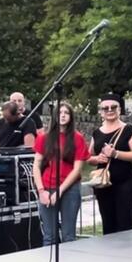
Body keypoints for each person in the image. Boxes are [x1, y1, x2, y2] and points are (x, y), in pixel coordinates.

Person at [33, 102, 90, 246]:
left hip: (69, 188)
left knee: (68, 236)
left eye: (66, 113)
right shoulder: (43, 138)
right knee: (49, 236)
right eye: (60, 112)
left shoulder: (77, 138)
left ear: (71, 117)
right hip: (47, 187)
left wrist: (60, 191)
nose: (63, 115)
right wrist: (41, 191)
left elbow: (77, 169)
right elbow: (36, 165)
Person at [87, 94, 132, 235]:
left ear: (120, 109)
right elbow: (88, 157)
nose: (109, 110)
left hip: (125, 183)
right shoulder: (97, 133)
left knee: (125, 223)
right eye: (105, 108)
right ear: (101, 111)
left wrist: (115, 154)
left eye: (113, 107)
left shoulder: (128, 130)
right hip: (104, 184)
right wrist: (97, 159)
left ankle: (126, 254)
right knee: (108, 221)